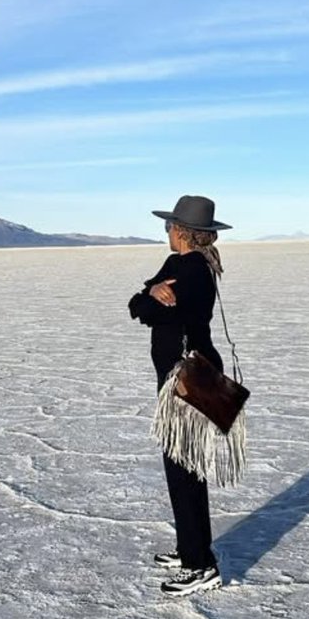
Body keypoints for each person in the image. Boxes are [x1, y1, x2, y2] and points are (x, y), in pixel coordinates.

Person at [128, 195, 231, 596]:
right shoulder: (197, 265)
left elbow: (145, 310)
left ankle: (200, 565)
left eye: (169, 226)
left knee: (183, 468)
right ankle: (191, 549)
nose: (166, 232)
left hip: (184, 379)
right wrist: (150, 292)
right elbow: (143, 300)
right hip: (194, 374)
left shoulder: (184, 266)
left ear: (181, 232)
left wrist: (149, 297)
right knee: (186, 466)